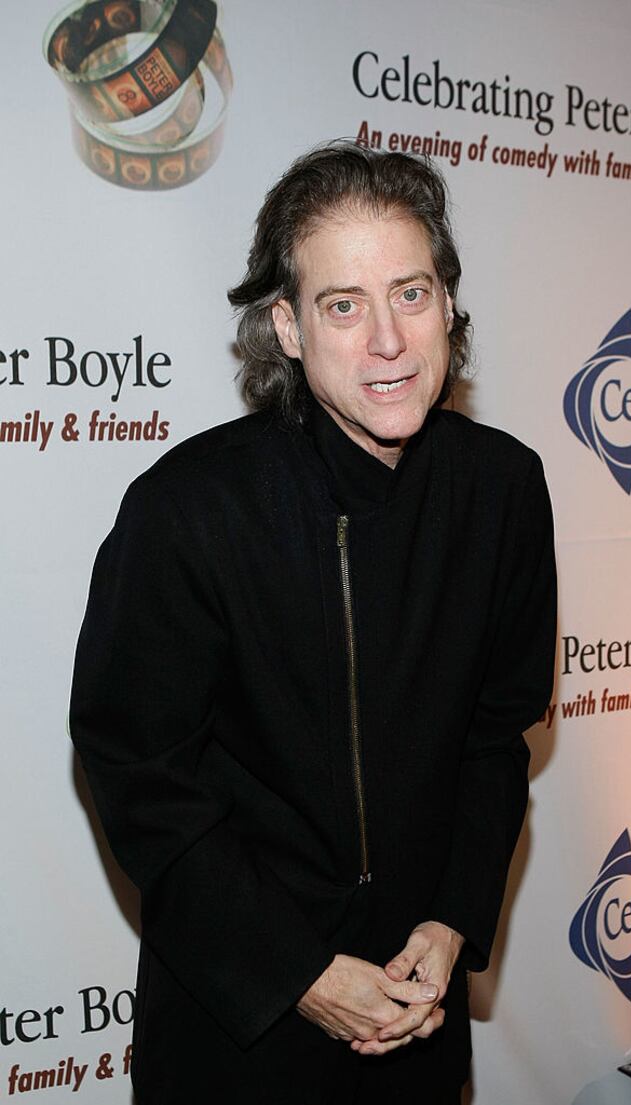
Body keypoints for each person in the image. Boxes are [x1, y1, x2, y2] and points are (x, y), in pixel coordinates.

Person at [70, 140, 556, 1105]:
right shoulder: (188, 509)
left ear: (448, 305)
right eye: (344, 304)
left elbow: (498, 738)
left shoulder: (504, 488)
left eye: (411, 293)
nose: (388, 339)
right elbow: (138, 775)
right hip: (239, 1025)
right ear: (287, 326)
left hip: (419, 1018)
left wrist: (452, 920)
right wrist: (299, 970)